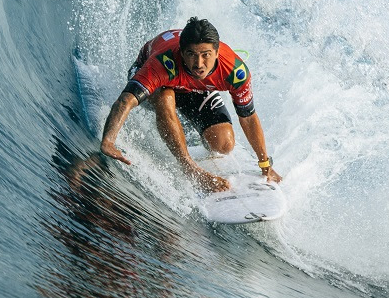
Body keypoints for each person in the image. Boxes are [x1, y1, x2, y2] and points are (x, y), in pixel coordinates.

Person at [99, 17, 283, 192]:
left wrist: (265, 164)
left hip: (193, 86)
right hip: (163, 83)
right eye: (191, 55)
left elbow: (248, 117)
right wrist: (108, 141)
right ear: (181, 52)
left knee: (224, 145)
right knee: (165, 98)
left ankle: (185, 127)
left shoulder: (234, 71)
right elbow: (126, 100)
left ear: (217, 53)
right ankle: (189, 168)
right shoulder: (164, 63)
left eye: (206, 55)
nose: (199, 63)